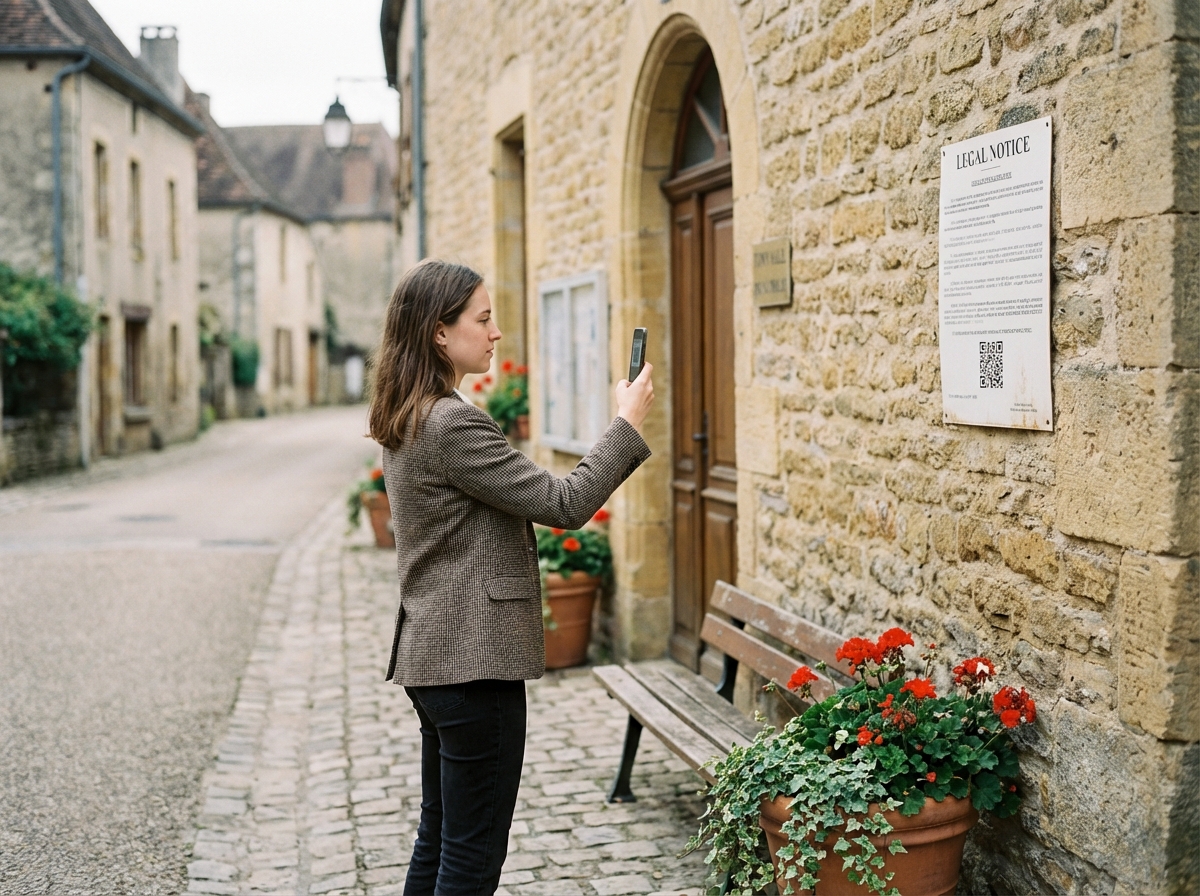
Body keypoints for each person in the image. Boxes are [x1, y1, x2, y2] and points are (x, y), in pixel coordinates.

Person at [367, 259, 654, 895]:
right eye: (484, 318)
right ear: (440, 332)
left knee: (440, 838)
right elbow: (564, 503)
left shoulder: (407, 414)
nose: (496, 333)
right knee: (470, 860)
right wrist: (627, 424)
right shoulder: (451, 423)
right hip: (473, 664)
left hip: (436, 659)